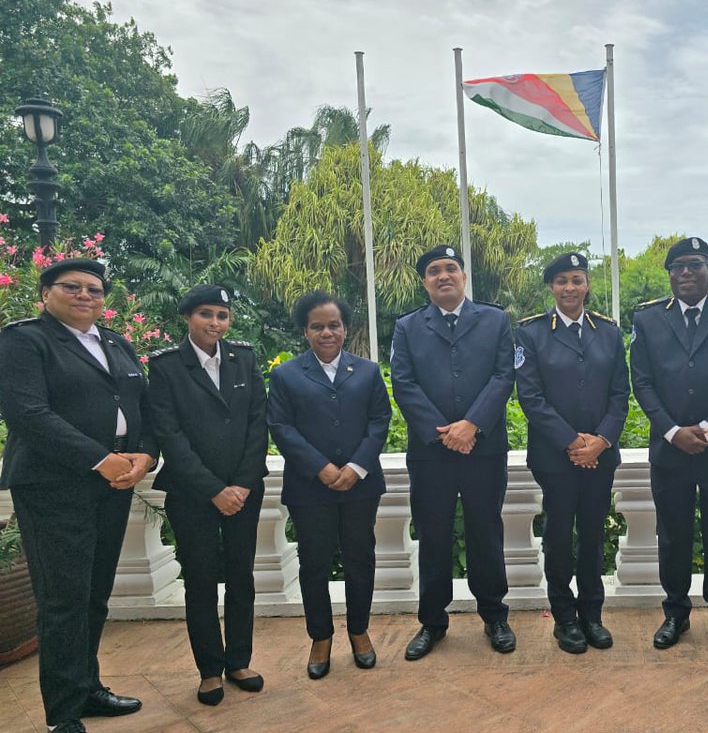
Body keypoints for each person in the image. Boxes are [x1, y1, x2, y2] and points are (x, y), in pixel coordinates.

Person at [0, 258, 156, 733]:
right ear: (47, 292)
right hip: (53, 487)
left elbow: (142, 408)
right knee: (63, 599)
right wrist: (100, 459)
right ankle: (62, 717)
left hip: (112, 485)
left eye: (95, 289)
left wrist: (144, 453)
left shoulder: (115, 343)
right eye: (73, 287)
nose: (86, 295)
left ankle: (87, 687)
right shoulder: (26, 341)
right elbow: (28, 413)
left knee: (94, 594)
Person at [629, 236, 708, 653]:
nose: (686, 272)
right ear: (669, 274)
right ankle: (676, 614)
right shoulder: (648, 320)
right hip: (670, 450)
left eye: (695, 265)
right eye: (678, 266)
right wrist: (672, 431)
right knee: (673, 535)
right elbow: (642, 382)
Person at [390, 245, 517, 659]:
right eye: (433, 271)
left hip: (483, 450)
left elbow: (503, 377)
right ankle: (432, 622)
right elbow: (403, 383)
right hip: (432, 453)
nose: (443, 276)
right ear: (424, 282)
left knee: (486, 532)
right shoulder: (408, 327)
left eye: (450, 268)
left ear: (463, 276)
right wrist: (443, 432)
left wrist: (471, 425)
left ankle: (495, 615)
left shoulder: (495, 320)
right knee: (433, 535)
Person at [147, 285, 269, 705]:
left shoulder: (244, 359)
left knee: (241, 577)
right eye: (206, 314)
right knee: (199, 580)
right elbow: (169, 435)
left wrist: (242, 484)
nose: (215, 322)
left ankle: (239, 661)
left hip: (244, 489)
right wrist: (214, 489)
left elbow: (258, 424)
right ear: (187, 317)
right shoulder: (165, 367)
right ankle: (209, 670)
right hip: (191, 493)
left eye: (222, 314)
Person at [267, 292, 392, 679]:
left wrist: (355, 467)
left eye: (334, 325)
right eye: (317, 326)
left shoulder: (368, 372)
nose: (327, 332)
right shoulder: (286, 374)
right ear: (305, 330)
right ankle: (320, 637)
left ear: (345, 328)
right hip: (310, 487)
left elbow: (379, 422)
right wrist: (320, 468)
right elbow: (281, 428)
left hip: (360, 485)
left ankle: (359, 631)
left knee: (360, 559)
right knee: (314, 563)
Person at [515, 252, 629, 653]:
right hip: (554, 458)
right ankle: (564, 618)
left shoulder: (609, 332)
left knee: (595, 536)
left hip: (600, 455)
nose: (569, 288)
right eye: (561, 280)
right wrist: (572, 442)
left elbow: (620, 395)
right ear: (551, 287)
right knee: (560, 536)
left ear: (587, 285)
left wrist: (601, 440)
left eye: (576, 279)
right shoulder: (530, 333)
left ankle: (592, 615)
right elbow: (530, 397)